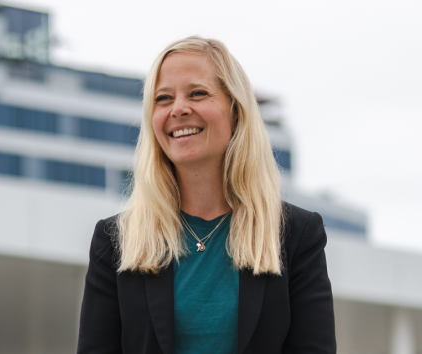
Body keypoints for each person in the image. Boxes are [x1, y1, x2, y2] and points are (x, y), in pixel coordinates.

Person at [77, 36, 336, 354]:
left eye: (198, 93)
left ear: (236, 111)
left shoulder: (296, 234)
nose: (179, 109)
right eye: (163, 98)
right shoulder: (115, 239)